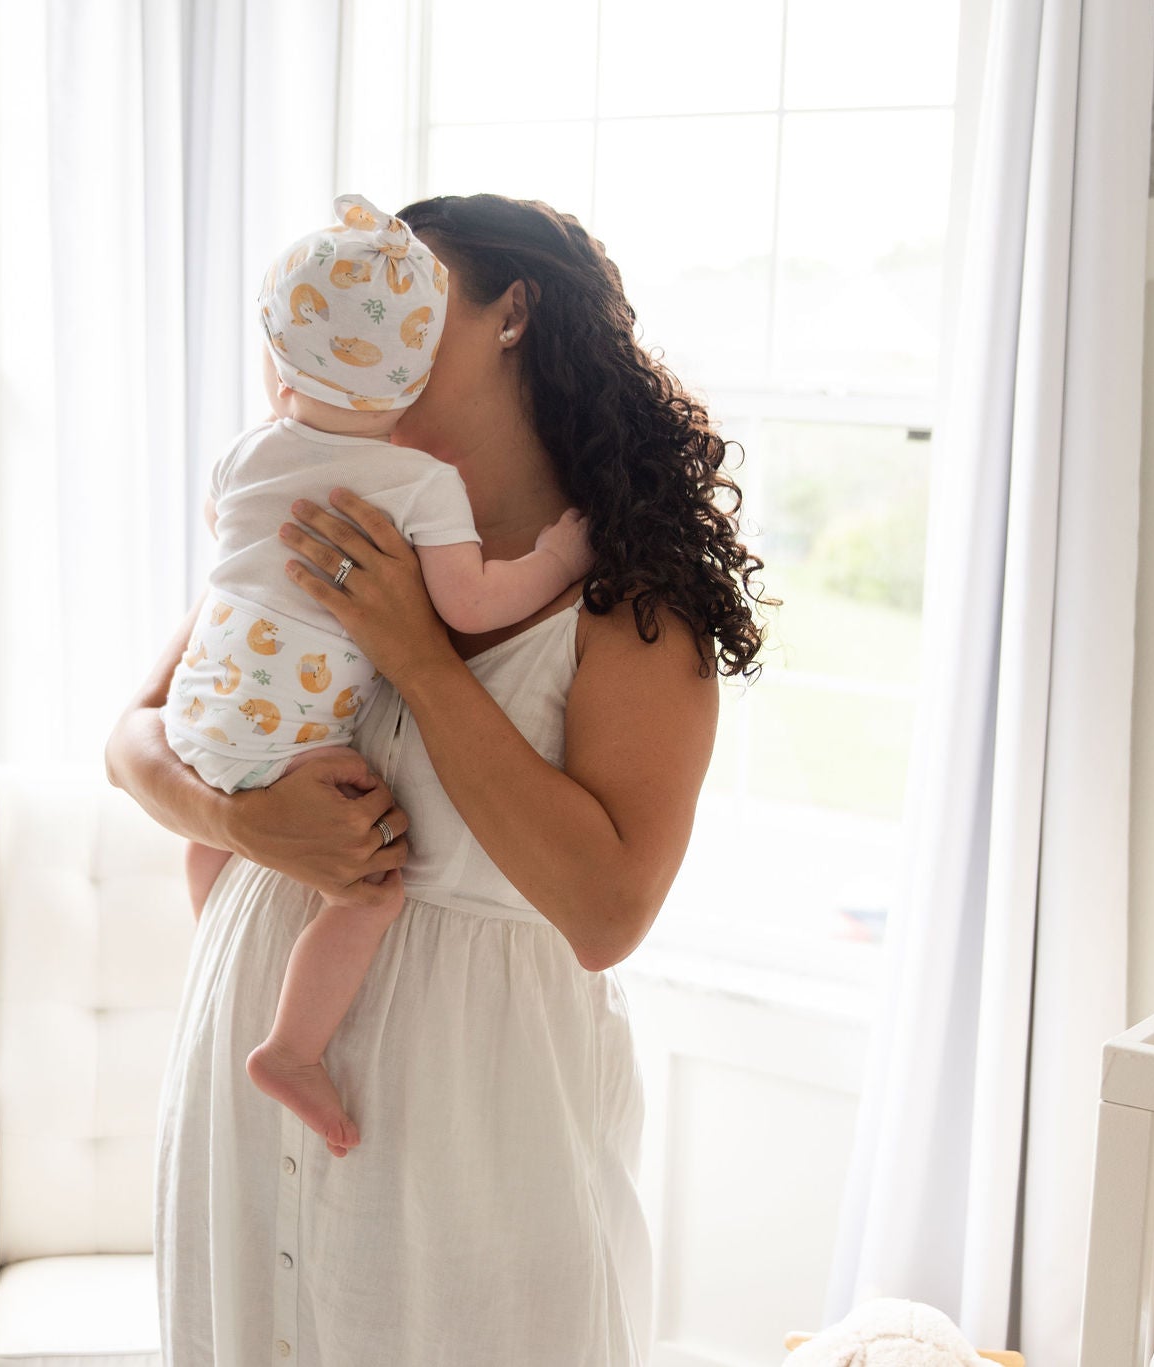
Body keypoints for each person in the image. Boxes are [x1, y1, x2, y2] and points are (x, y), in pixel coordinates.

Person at [105, 193, 771, 1366]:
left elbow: (606, 909)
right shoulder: (322, 512)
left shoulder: (629, 610)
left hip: (473, 1137)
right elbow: (131, 740)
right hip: (241, 1097)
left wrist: (415, 645)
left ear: (510, 314)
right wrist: (245, 821)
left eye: (410, 282)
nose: (375, 311)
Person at [165, 192, 592, 1158]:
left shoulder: (250, 454)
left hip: (209, 706)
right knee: (373, 893)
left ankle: (216, 942)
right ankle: (291, 1044)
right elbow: (474, 603)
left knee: (208, 847)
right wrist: (562, 560)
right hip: (286, 740)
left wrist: (229, 825)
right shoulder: (416, 488)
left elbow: (219, 532)